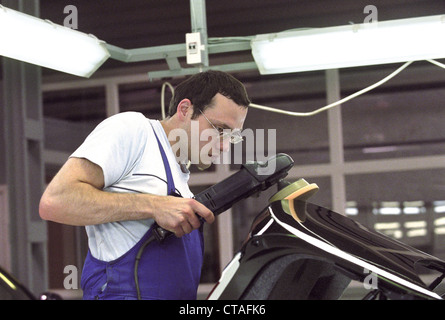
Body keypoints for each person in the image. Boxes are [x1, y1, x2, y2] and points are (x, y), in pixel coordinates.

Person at [39, 70, 250, 300]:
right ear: (185, 110)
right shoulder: (134, 131)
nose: (224, 146)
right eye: (220, 130)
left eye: (233, 137)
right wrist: (154, 206)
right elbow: (55, 201)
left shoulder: (181, 181)